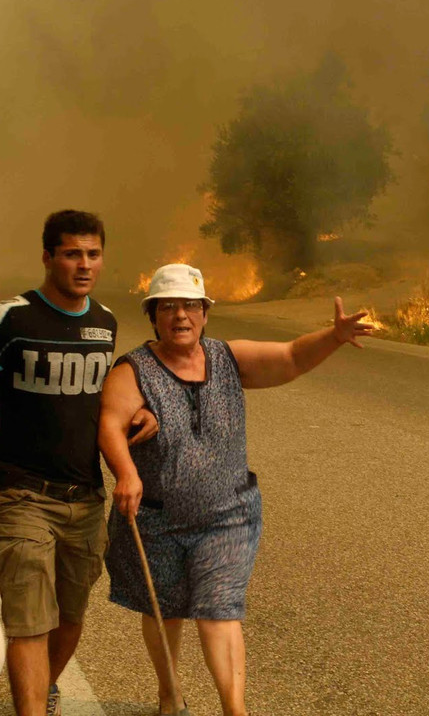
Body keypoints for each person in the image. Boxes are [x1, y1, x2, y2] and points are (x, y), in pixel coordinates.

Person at [98, 263, 373, 716]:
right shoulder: (134, 370)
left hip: (227, 514)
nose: (180, 316)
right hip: (157, 518)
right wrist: (126, 472)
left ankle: (234, 709)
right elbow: (110, 422)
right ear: (153, 315)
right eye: (168, 307)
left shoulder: (227, 358)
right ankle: (169, 695)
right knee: (164, 610)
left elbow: (289, 358)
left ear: (205, 313)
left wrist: (333, 336)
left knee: (218, 609)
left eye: (190, 306)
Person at [0, 209, 158, 716]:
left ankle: (44, 688)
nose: (84, 264)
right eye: (72, 253)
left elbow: (101, 401)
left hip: (85, 496)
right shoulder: (11, 319)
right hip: (22, 493)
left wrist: (138, 412)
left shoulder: (104, 324)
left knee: (70, 616)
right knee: (29, 619)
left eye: (93, 254)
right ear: (48, 257)